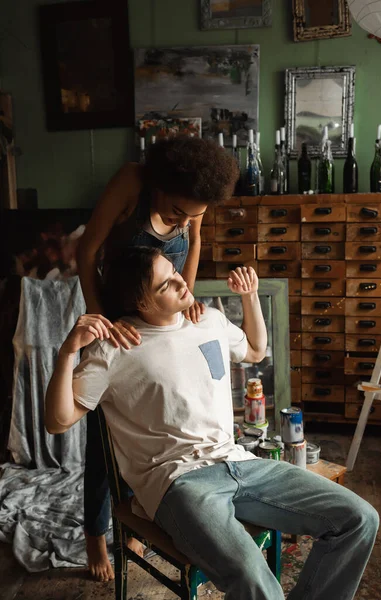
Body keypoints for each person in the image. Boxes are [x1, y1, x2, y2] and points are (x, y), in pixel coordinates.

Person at [46, 247, 379, 600]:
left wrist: (249, 297)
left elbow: (255, 350)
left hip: (240, 463)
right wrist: (69, 351)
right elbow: (57, 421)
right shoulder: (115, 347)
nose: (180, 281)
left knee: (359, 519)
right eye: (166, 284)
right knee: (254, 578)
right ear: (141, 302)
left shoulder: (208, 320)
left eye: (174, 272)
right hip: (180, 484)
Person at [76, 135, 239, 581]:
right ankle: (95, 532)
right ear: (159, 185)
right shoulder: (132, 180)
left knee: (150, 426)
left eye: (193, 216)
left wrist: (187, 301)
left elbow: (196, 244)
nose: (184, 222)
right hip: (120, 324)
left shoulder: (197, 204)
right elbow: (87, 251)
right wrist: (103, 323)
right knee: (104, 437)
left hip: (164, 323)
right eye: (175, 213)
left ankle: (134, 511)